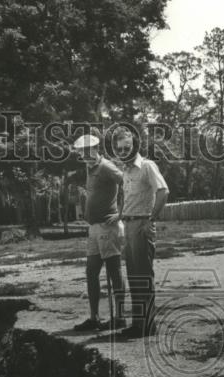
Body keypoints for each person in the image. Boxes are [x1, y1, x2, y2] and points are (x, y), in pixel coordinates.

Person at [113, 127, 169, 338]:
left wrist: (151, 218)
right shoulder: (126, 171)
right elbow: (126, 199)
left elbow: (163, 191)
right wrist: (120, 219)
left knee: (144, 276)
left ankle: (148, 325)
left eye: (126, 147)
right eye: (119, 149)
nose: (123, 152)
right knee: (133, 275)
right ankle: (138, 324)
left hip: (142, 225)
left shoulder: (147, 166)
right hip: (128, 226)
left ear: (135, 146)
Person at [71, 133, 126, 332]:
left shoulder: (106, 166)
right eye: (81, 152)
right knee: (91, 271)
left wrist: (121, 213)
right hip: (94, 228)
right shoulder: (90, 167)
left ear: (95, 149)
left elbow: (126, 183)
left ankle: (119, 317)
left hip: (107, 226)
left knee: (114, 271)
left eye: (87, 151)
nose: (84, 155)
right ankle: (94, 318)